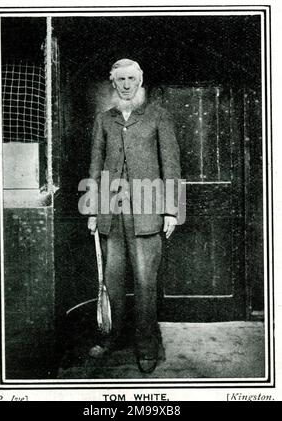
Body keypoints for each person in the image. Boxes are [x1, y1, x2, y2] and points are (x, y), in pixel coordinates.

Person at [86, 58, 181, 373]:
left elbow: (171, 166)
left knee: (144, 282)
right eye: (120, 80)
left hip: (147, 213)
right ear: (113, 83)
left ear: (140, 80)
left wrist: (170, 211)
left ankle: (146, 346)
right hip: (111, 213)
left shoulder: (158, 116)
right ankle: (111, 338)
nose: (126, 85)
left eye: (131, 79)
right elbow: (96, 165)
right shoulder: (105, 119)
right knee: (112, 281)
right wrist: (91, 210)